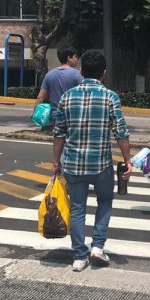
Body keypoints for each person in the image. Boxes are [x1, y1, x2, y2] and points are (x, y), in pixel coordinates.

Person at [52, 51, 132, 273]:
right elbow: (121, 133)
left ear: (81, 72)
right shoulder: (110, 97)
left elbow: (59, 133)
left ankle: (79, 255)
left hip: (74, 164)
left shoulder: (67, 97)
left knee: (77, 208)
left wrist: (55, 161)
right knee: (105, 202)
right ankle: (97, 246)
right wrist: (127, 160)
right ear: (103, 74)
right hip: (101, 164)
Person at [35, 47, 83, 111]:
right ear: (69, 58)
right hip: (71, 114)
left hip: (54, 114)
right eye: (76, 57)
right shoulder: (77, 74)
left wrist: (35, 113)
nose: (78, 59)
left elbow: (40, 97)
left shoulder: (49, 74)